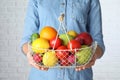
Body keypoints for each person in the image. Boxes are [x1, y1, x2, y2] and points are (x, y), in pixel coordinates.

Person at [20, 0, 105, 80]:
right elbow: (26, 41)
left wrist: (94, 55)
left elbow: (98, 42)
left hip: (79, 76)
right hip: (42, 76)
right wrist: (30, 54)